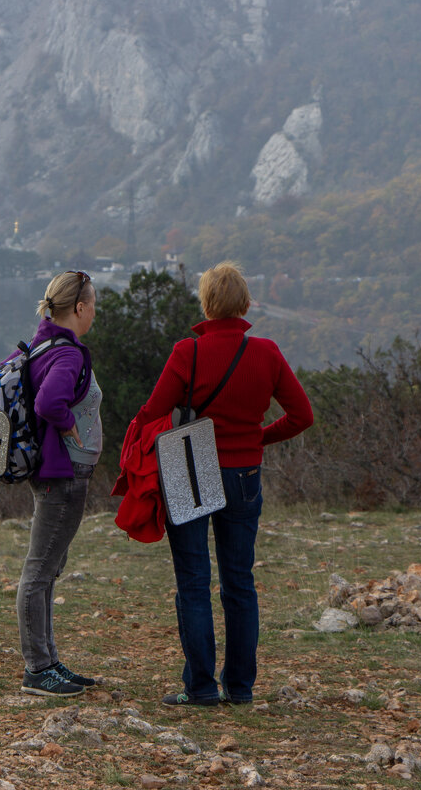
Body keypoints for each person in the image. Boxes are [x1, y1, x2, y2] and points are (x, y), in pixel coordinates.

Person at [132, 261, 312, 706]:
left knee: (193, 582)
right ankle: (241, 687)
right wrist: (259, 438)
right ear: (246, 303)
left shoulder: (186, 353)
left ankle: (200, 688)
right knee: (239, 582)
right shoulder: (267, 353)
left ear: (206, 304)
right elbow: (302, 416)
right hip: (245, 475)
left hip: (191, 469)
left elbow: (153, 412)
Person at [16, 270, 102, 697]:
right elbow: (49, 401)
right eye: (93, 304)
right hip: (61, 474)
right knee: (40, 570)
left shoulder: (43, 341)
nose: (95, 313)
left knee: (50, 568)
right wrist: (69, 427)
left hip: (52, 473)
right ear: (80, 308)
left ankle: (48, 660)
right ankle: (37, 669)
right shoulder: (68, 354)